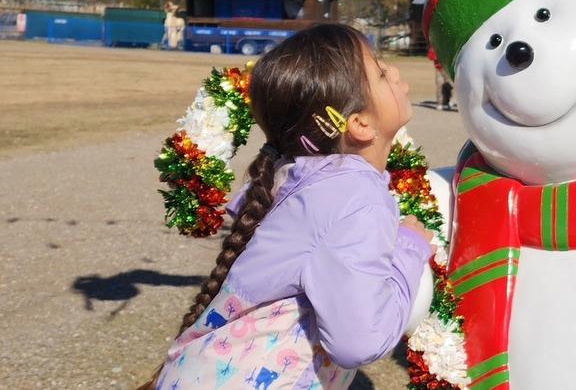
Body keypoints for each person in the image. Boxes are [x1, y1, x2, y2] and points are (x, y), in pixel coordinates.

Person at [141, 24, 433, 390]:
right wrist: (411, 245)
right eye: (379, 70)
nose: (394, 71)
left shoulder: (300, 178)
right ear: (359, 123)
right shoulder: (354, 195)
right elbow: (360, 341)